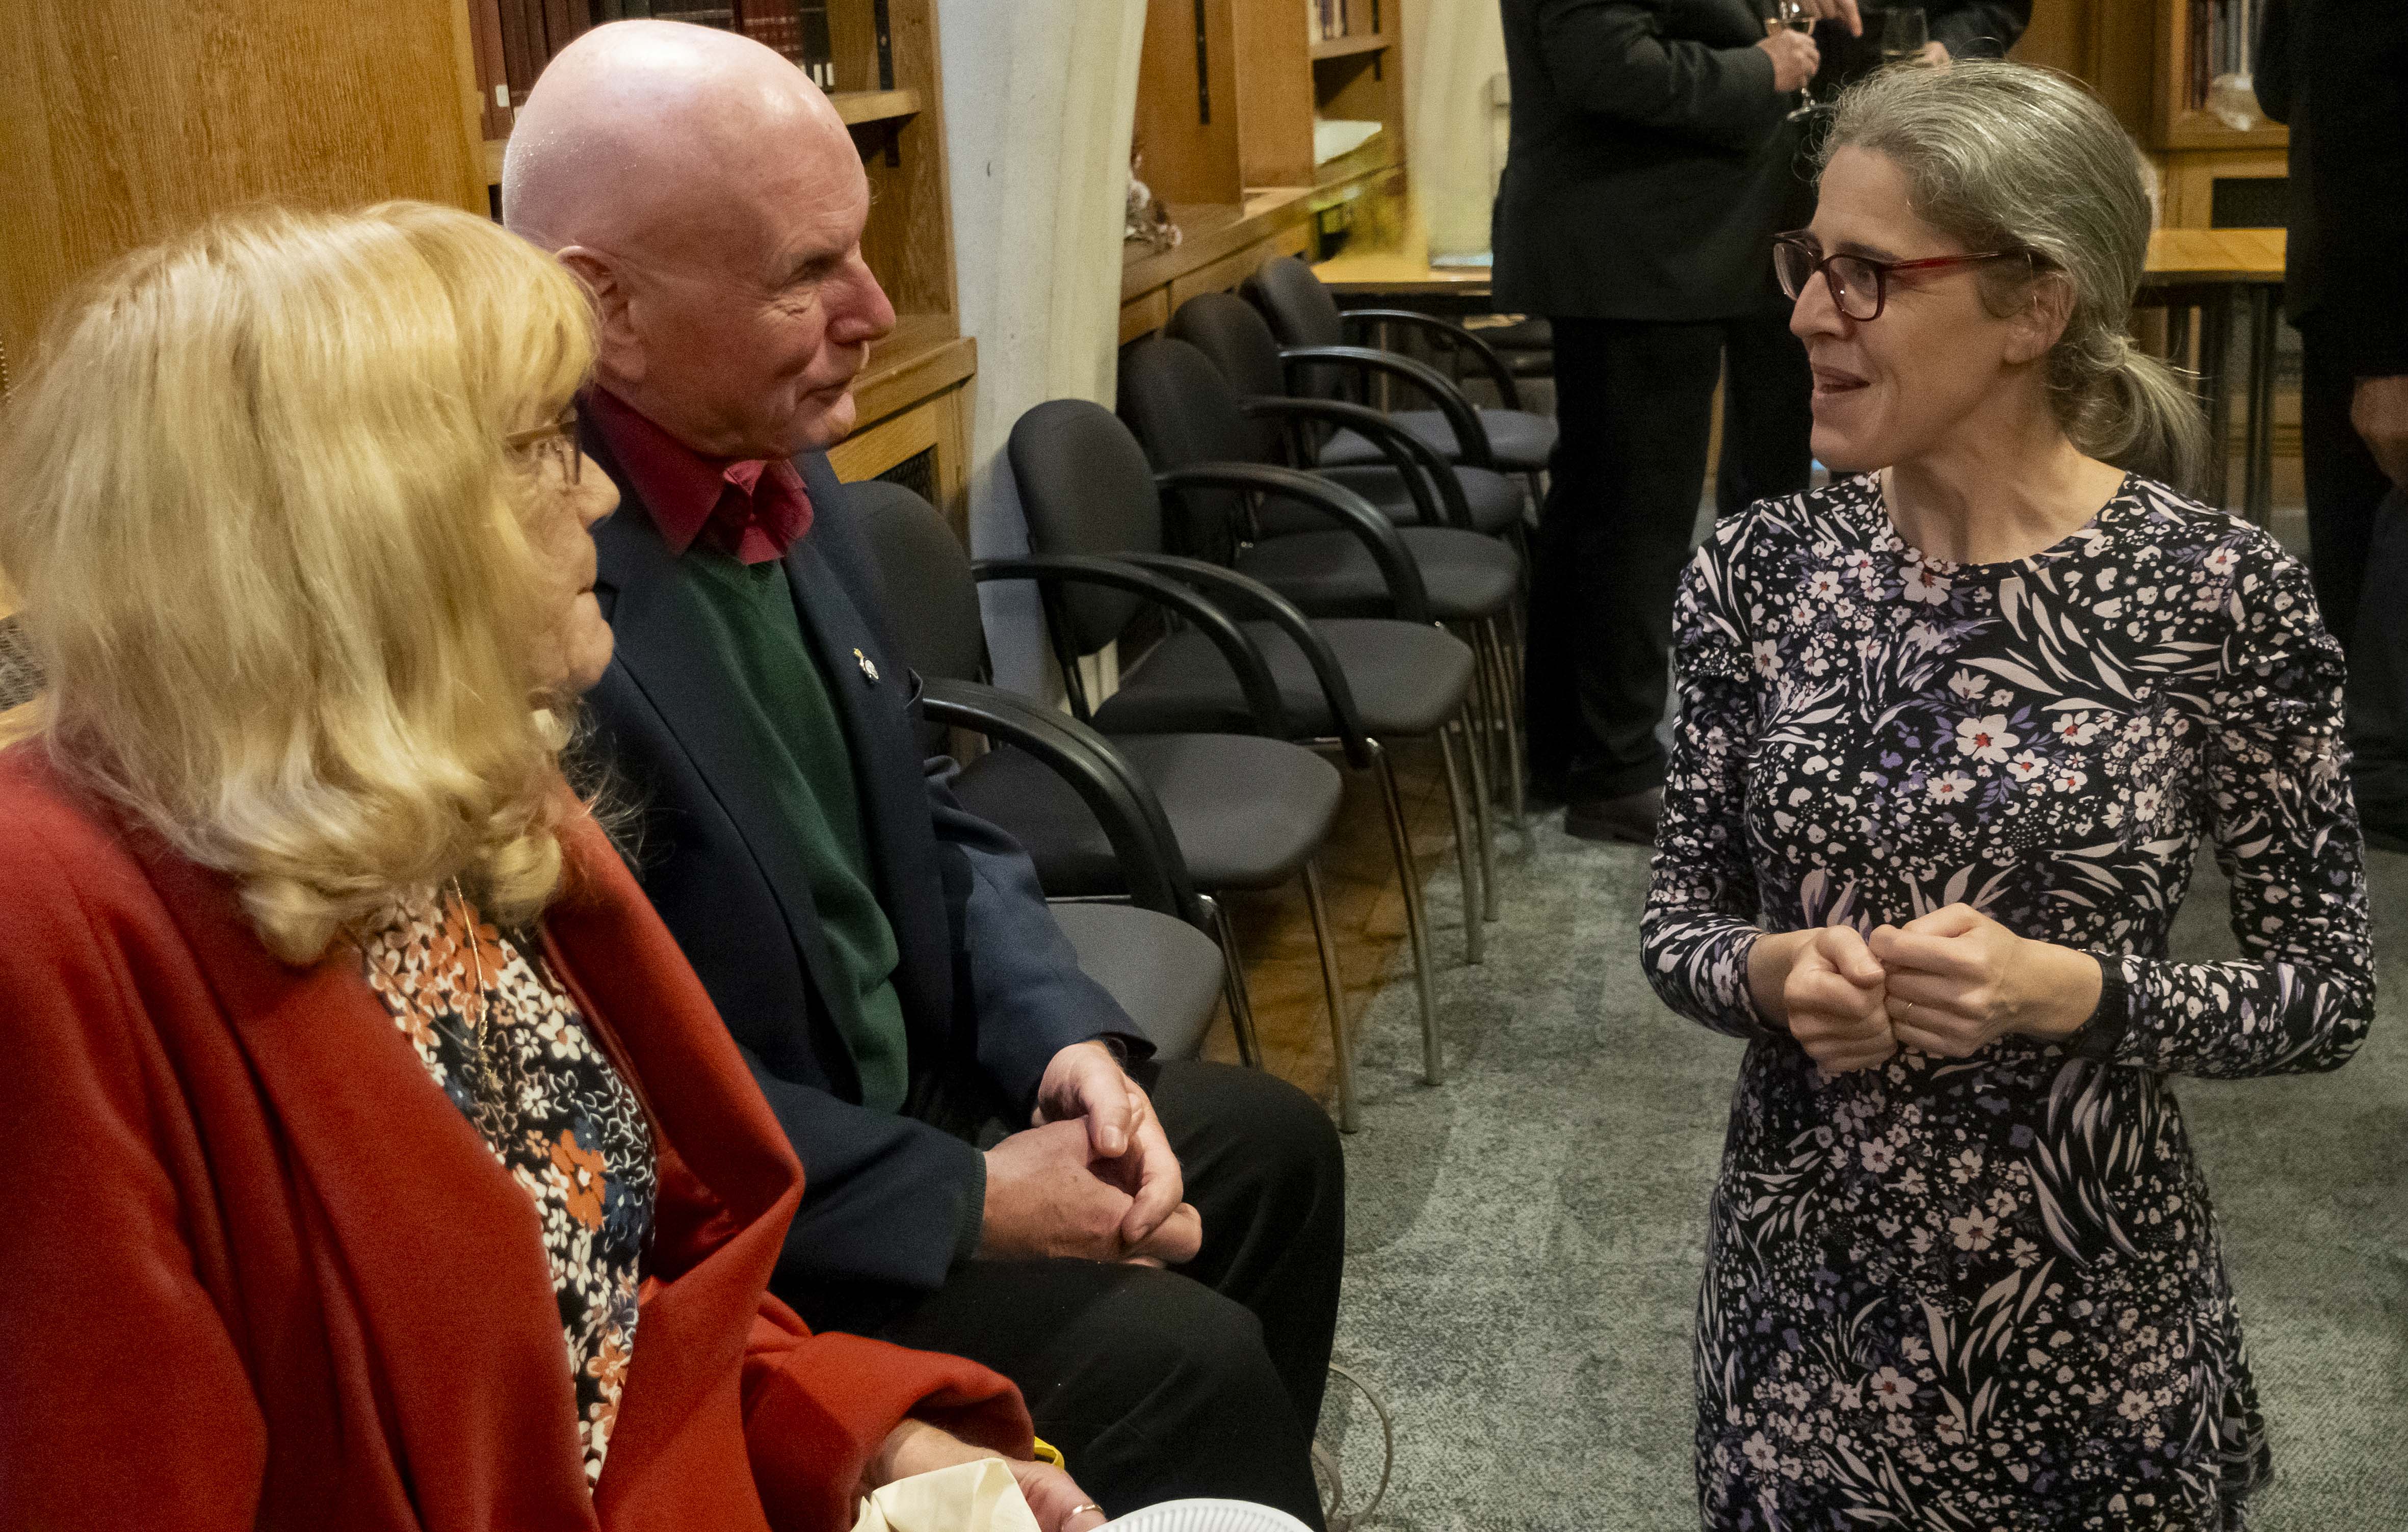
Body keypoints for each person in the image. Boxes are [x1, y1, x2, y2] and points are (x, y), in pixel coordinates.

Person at [0, 204, 1114, 1531]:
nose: (593, 489)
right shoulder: (51, 924)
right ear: (352, 527)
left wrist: (870, 1434)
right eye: (539, 448)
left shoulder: (460, 790)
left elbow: (634, 1293)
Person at [499, 21, 1345, 1525]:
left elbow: (934, 817)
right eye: (802, 274)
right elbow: (594, 1088)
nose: (875, 310)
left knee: (1269, 1150)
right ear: (603, 308)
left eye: (864, 253)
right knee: (1183, 1359)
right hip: (760, 1234)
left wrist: (1061, 1039)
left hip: (932, 1101)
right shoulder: (528, 592)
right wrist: (969, 1197)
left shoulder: (784, 460)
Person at [1639, 62, 2373, 1529]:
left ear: (2031, 306)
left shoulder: (2216, 591)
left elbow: (2323, 990)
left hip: (2090, 1309)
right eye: (1806, 261)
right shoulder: (1759, 569)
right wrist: (1770, 969)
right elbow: (1676, 924)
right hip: (1807, 1310)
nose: (1803, 313)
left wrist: (2065, 988)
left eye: (1865, 275)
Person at [1494, 0, 1861, 845]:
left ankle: (1572, 754)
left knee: (1599, 511)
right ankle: (1614, 768)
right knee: (1632, 520)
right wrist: (1762, 69)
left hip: (1664, 254)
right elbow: (1602, 62)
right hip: (1636, 254)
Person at [2256, 0, 2408, 850]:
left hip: (2365, 308)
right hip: (2384, 314)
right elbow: (2344, 103)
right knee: (2376, 756)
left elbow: (2280, 83)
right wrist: (2387, 358)